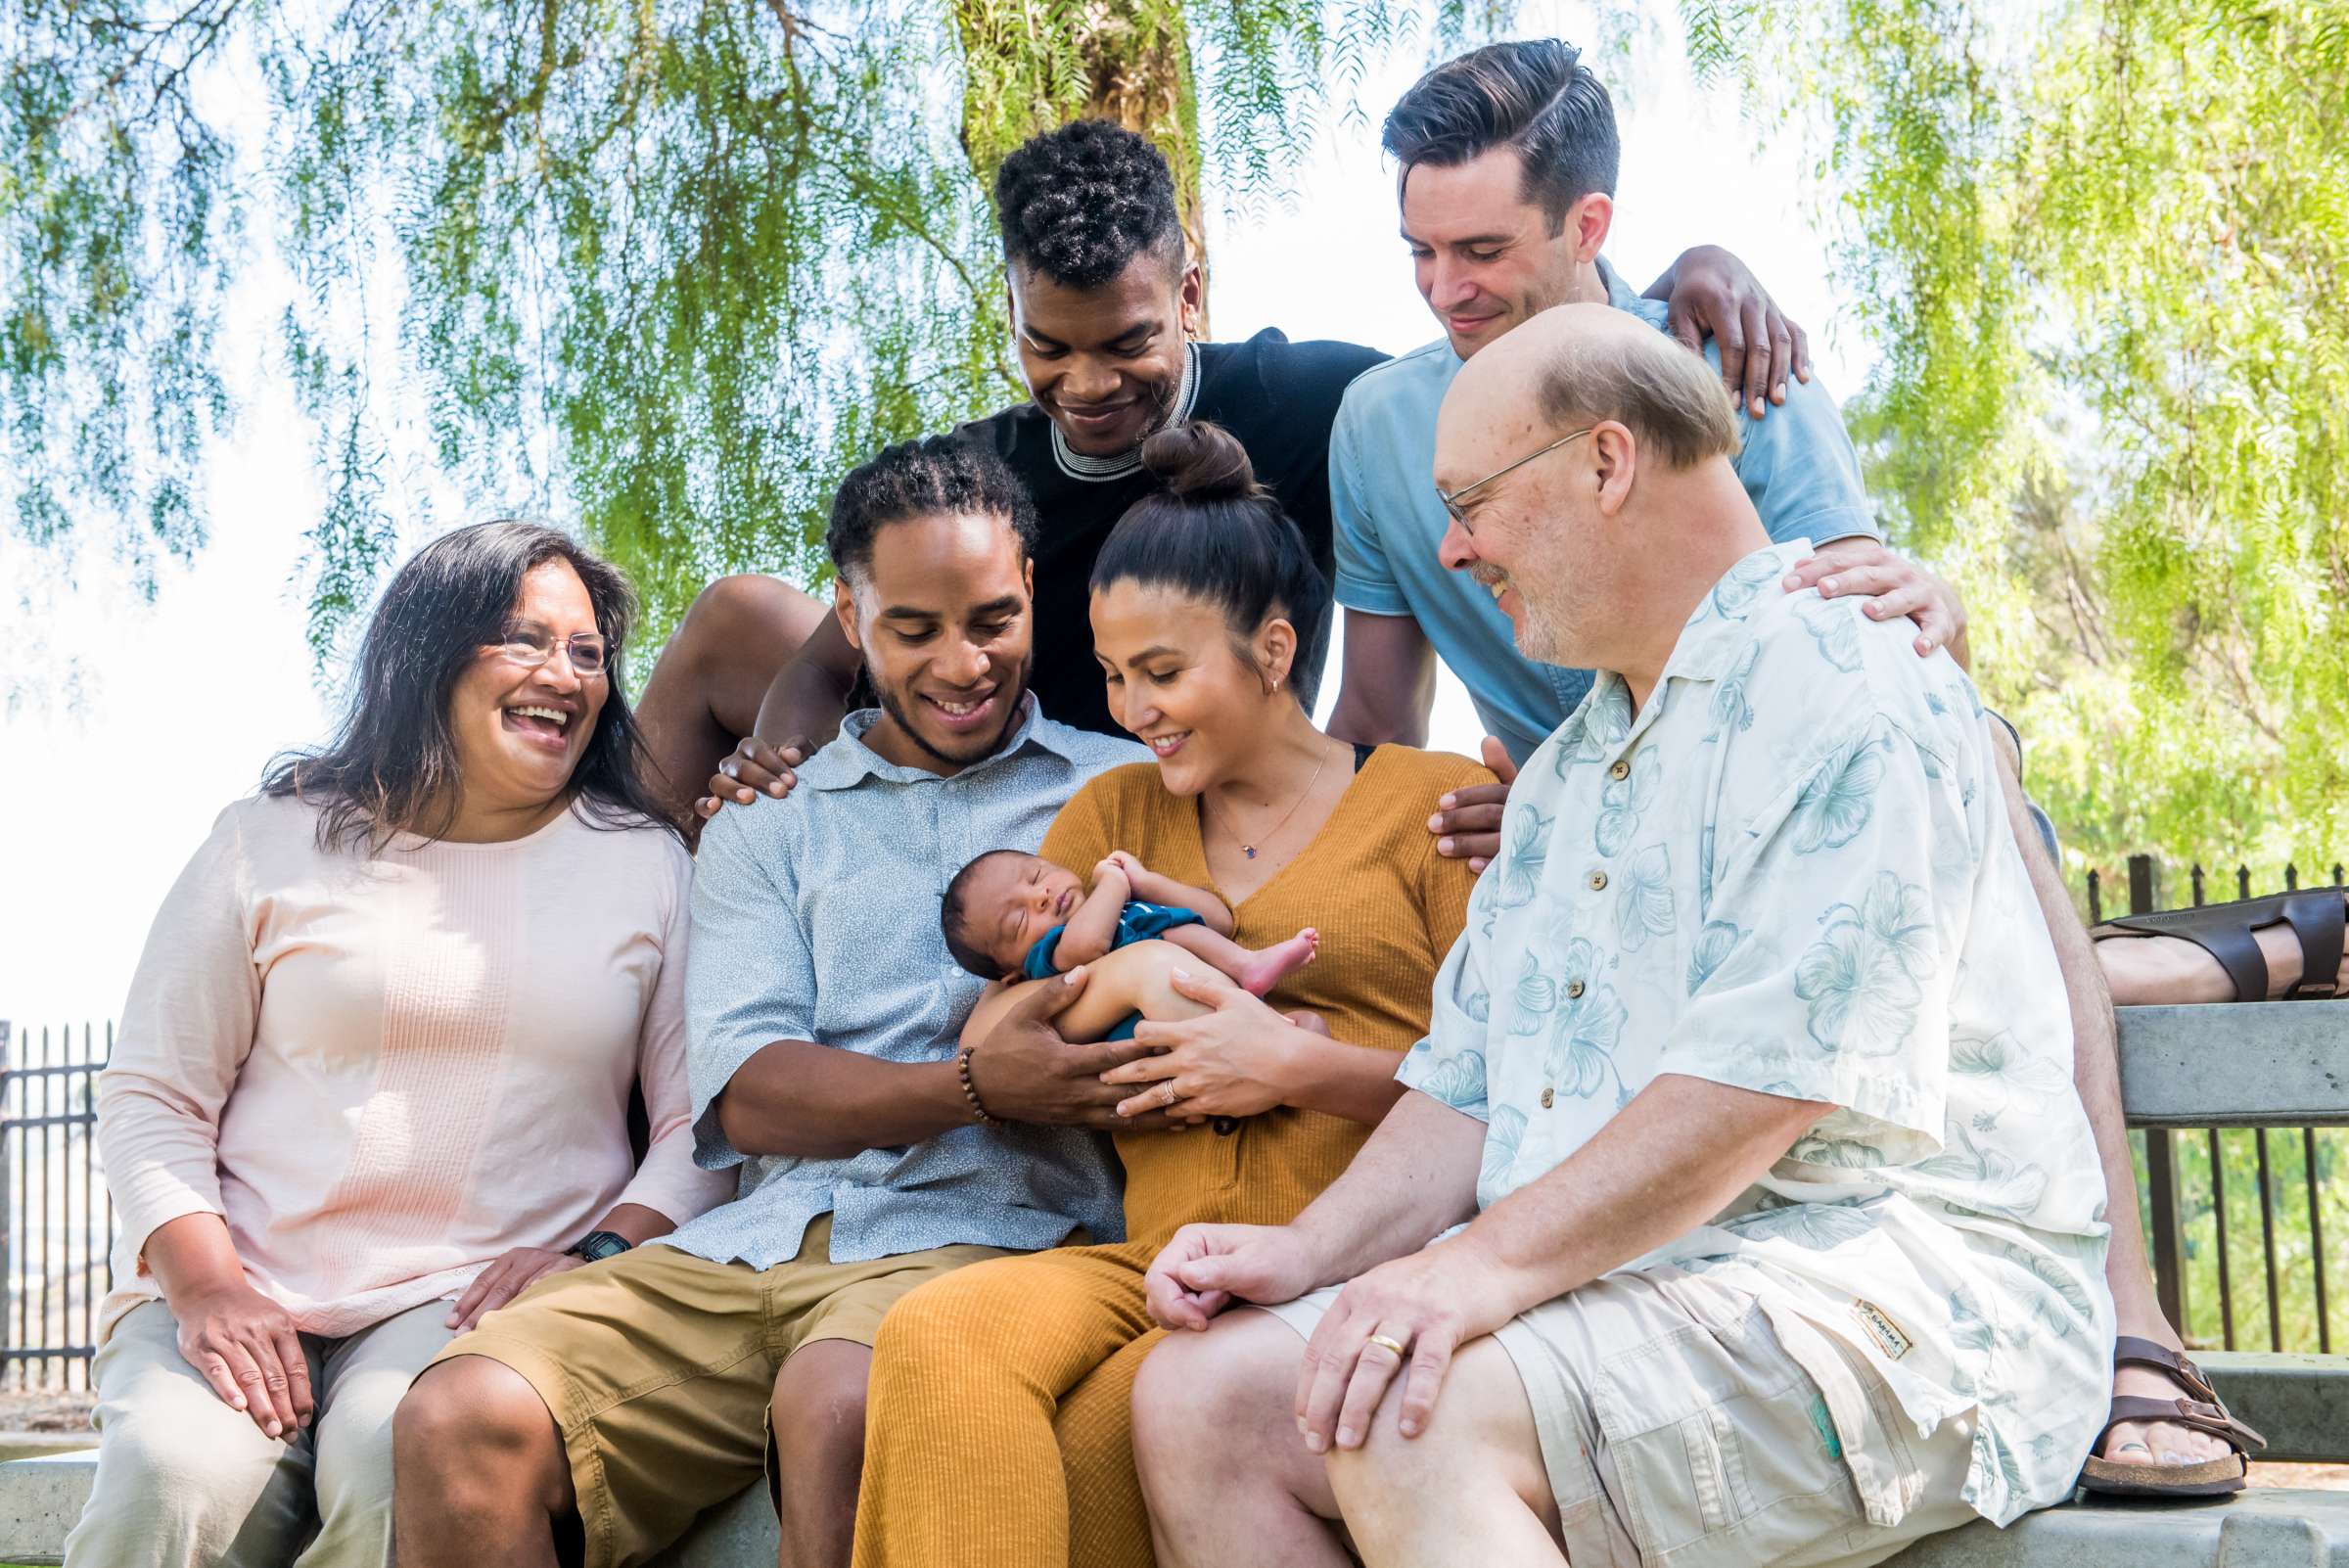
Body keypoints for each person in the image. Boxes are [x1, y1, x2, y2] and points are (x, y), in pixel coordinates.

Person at [1328, 37, 2249, 1489]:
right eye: (1421, 252)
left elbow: (1863, 635)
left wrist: (1932, 607)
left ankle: (2133, 1322)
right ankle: (2243, 950)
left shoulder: (1729, 363)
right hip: (1575, 805)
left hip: (1794, 796)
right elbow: (1370, 723)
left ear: (1588, 229)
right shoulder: (1380, 424)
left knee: (1980, 765)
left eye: (1483, 248)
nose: (1448, 289)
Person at [1128, 303, 2122, 1568]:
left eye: (1471, 499)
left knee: (1408, 1417)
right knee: (1201, 1400)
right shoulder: (1565, 774)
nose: (1450, 546)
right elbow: (1468, 1084)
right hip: (1640, 1285)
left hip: (1898, 1294)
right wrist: (1304, 1251)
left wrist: (1472, 1269)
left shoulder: (1848, 681)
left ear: (1607, 461)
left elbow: (1760, 1086)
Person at [392, 438, 1162, 1568]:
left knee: (840, 1401)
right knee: (457, 1415)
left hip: (983, 1240)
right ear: (849, 618)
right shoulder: (769, 817)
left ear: (1034, 592)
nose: (963, 664)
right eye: (913, 629)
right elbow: (749, 1096)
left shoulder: (1121, 790)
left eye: (992, 620)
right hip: (744, 1252)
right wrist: (969, 1085)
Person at [658, 117, 1809, 828]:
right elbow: (825, 660)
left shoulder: (1322, 405)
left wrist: (1685, 279)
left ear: (1190, 298)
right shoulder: (978, 477)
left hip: (1173, 767)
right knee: (735, 616)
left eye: (1127, 345)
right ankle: (629, 916)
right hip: (981, 744)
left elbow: (1504, 348)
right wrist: (778, 773)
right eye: (1045, 347)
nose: (1087, 385)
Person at [849, 422, 1489, 1568]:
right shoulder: (1111, 822)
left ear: (1275, 649)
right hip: (1154, 1262)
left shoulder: (1430, 809)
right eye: (1109, 676)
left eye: (1163, 672)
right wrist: (1124, 987)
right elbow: (1002, 1034)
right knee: (938, 1337)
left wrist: (1292, 1067)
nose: (1133, 708)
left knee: (1099, 1457)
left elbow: (1514, 1091)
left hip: (1344, 1261)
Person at [73, 522, 732, 1568]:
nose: (562, 674)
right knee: (170, 1475)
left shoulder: (650, 866)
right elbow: (154, 1095)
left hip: (469, 1302)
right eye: (524, 639)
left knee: (397, 1470)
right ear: (427, 651)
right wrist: (208, 1289)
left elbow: (706, 1123)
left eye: (589, 653)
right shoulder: (267, 840)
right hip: (236, 1282)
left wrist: (601, 1252)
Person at [943, 846, 1321, 1042]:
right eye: (1020, 919)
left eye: (1037, 875)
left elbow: (1217, 919)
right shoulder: (1051, 956)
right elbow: (1088, 946)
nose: (1040, 895)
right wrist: (1114, 883)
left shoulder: (1116, 909)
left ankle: (1248, 965)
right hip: (1167, 1035)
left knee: (1312, 1028)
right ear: (1011, 975)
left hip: (1231, 1005)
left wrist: (1145, 880)